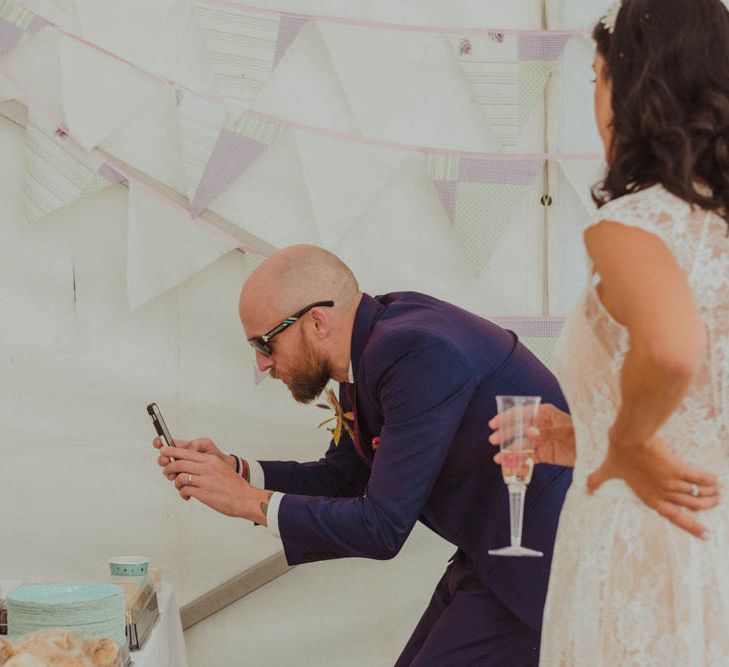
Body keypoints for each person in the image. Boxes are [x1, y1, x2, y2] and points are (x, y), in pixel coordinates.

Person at [154, 244, 572, 665]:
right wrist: (240, 473)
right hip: (491, 553)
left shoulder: (413, 351)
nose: (262, 364)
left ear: (316, 321)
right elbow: (346, 477)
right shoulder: (371, 351)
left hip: (541, 565)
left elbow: (382, 527)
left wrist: (248, 502)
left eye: (264, 343)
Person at [491, 0, 729, 663]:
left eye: (597, 76)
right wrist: (591, 434)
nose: (595, 100)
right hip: (714, 560)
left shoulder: (632, 224)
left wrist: (625, 438)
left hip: (638, 559)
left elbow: (673, 348)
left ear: (633, 85)